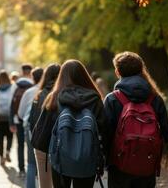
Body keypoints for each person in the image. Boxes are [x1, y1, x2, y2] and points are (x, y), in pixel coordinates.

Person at [104, 51, 168, 188]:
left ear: (117, 72)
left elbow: (105, 133)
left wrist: (105, 160)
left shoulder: (112, 99)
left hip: (119, 165)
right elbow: (167, 134)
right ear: (142, 71)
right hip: (147, 165)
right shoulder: (155, 99)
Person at [33, 60, 106, 188]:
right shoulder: (95, 99)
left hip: (60, 159)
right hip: (87, 159)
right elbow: (105, 129)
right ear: (84, 76)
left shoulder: (54, 98)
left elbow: (42, 132)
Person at [29, 63, 60, 188]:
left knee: (44, 184)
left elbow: (31, 121)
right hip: (60, 144)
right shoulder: (64, 93)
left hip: (41, 145)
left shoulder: (39, 94)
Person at [18, 67, 44, 188]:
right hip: (45, 128)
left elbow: (20, 113)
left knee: (31, 162)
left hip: (29, 128)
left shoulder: (29, 92)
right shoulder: (49, 91)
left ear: (33, 78)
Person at [10, 64, 34, 177]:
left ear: (22, 71)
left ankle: (21, 169)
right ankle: (32, 168)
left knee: (20, 144)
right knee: (31, 145)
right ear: (30, 72)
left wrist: (11, 121)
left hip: (18, 119)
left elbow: (11, 103)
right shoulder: (33, 85)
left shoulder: (16, 85)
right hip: (30, 120)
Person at [0, 70, 14, 166]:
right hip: (9, 117)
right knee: (10, 136)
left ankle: (1, 157)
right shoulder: (12, 88)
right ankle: (7, 151)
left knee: (0, 138)